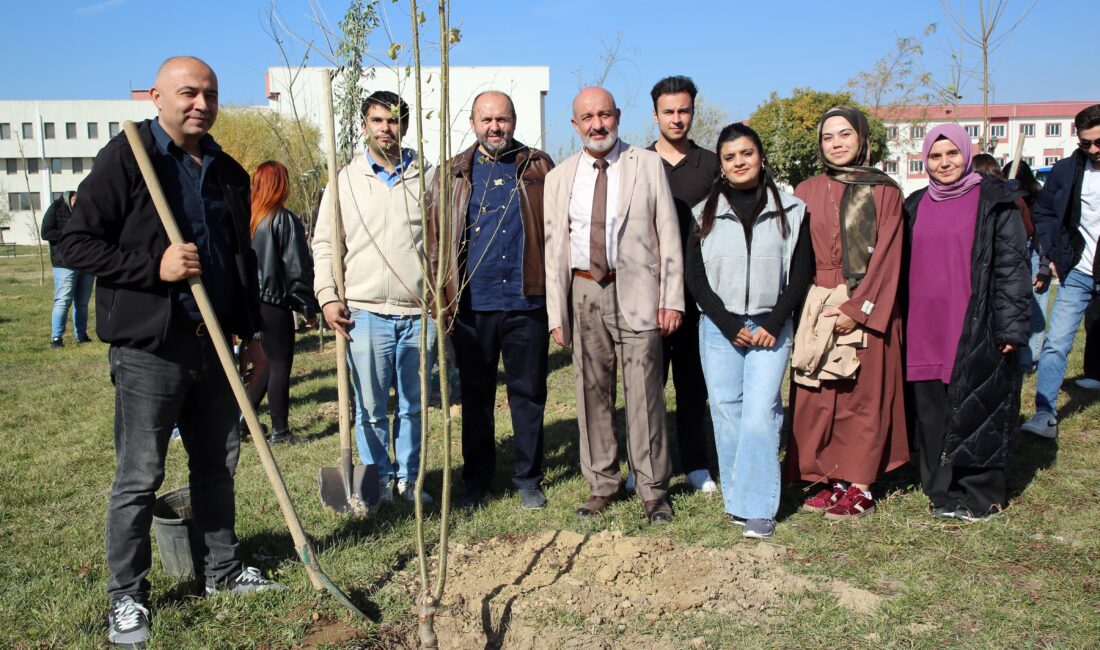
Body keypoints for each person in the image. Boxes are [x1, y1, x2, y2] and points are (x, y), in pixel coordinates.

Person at [58, 56, 284, 649]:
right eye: (188, 93)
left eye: (210, 94)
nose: (200, 104)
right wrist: (153, 268)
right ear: (157, 96)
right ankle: (127, 596)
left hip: (214, 345)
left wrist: (251, 336)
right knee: (139, 475)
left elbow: (239, 267)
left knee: (218, 464)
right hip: (150, 350)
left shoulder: (229, 174)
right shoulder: (129, 158)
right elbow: (74, 243)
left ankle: (222, 571)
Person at [544, 86, 684, 525]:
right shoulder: (560, 177)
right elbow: (554, 250)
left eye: (604, 114)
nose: (597, 124)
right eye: (587, 117)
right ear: (575, 125)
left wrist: (671, 298)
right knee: (591, 393)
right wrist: (557, 313)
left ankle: (652, 490)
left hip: (639, 290)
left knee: (645, 394)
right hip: (584, 291)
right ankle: (602, 483)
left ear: (618, 116)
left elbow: (668, 234)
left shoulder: (647, 165)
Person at [426, 91, 555, 510]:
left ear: (514, 120)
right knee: (477, 398)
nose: (494, 127)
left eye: (502, 119)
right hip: (472, 305)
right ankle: (476, 480)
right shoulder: (452, 173)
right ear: (472, 121)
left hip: (526, 301)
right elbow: (433, 240)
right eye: (486, 119)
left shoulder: (538, 166)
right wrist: (439, 299)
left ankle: (528, 477)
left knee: (529, 392)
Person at [684, 123, 812, 539]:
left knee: (760, 413)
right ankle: (738, 499)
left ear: (760, 156)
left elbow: (801, 273)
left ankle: (758, 507)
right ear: (721, 164)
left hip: (771, 328)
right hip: (720, 328)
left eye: (746, 153)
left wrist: (774, 322)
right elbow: (695, 276)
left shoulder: (792, 210)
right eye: (730, 157)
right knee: (727, 412)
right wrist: (727, 322)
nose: (739, 162)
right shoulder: (702, 212)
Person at [785, 106, 909, 519]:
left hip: (866, 299)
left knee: (862, 396)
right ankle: (830, 477)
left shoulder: (883, 190)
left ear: (861, 139)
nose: (836, 144)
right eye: (828, 137)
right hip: (817, 300)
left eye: (844, 135)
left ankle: (861, 483)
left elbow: (889, 256)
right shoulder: (804, 189)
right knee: (819, 394)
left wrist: (857, 309)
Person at [313, 90, 436, 504]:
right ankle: (379, 479)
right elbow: (326, 243)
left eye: (395, 120)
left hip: (419, 312)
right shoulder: (344, 180)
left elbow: (443, 242)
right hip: (363, 313)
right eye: (378, 120)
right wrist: (328, 295)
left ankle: (410, 480)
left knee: (412, 406)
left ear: (405, 125)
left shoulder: (427, 178)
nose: (387, 128)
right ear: (364, 125)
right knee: (369, 405)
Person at [903, 124, 1030, 520]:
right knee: (932, 411)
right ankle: (941, 491)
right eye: (936, 156)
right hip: (925, 325)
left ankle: (979, 494)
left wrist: (1010, 325)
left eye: (952, 154)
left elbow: (1012, 267)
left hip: (974, 323)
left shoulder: (995, 201)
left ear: (966, 153)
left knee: (978, 409)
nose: (944, 163)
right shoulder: (915, 203)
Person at [645, 75, 720, 493]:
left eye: (684, 111)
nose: (677, 119)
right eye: (669, 111)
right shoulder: (637, 163)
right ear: (654, 114)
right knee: (648, 387)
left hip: (697, 296)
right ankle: (649, 465)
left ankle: (696, 463)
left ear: (693, 112)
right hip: (646, 296)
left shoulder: (711, 166)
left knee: (693, 385)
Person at [1020, 104, 1100, 438]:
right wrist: (1051, 254)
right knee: (1056, 343)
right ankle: (1044, 414)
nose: (1094, 150)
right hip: (1078, 271)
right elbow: (1045, 213)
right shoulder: (1067, 171)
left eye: (1099, 142)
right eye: (1086, 143)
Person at [245, 161, 319, 444]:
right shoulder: (282, 219)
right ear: (280, 184)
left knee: (263, 364)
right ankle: (280, 431)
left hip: (251, 302)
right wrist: (306, 305)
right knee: (278, 365)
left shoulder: (249, 219)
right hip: (274, 302)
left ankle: (243, 420)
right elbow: (296, 267)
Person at [1001, 160, 1052, 373]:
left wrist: (1044, 267)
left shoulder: (1040, 199)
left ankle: (1031, 360)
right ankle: (1021, 358)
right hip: (1018, 250)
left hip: (1036, 252)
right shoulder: (1010, 198)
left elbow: (1044, 235)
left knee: (1037, 307)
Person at [41, 191, 94, 348]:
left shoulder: (87, 210)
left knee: (82, 303)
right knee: (63, 301)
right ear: (72, 199)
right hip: (64, 264)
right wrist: (70, 235)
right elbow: (46, 233)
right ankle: (56, 338)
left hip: (86, 263)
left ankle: (82, 335)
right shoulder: (56, 208)